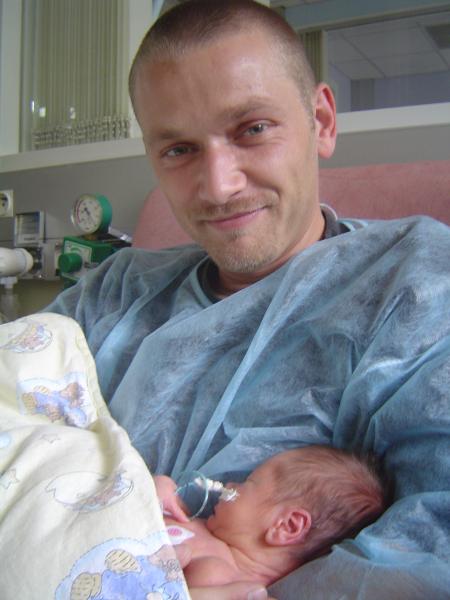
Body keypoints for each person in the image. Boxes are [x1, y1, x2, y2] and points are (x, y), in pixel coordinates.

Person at [43, 0, 450, 598]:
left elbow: (434, 539)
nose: (219, 185)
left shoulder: (416, 281)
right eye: (179, 149)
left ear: (321, 122)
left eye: (252, 129)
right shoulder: (111, 293)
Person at [155, 445, 388, 587]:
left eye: (248, 483)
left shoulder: (218, 576)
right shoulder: (216, 538)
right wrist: (156, 490)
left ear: (287, 526)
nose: (231, 484)